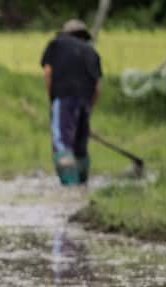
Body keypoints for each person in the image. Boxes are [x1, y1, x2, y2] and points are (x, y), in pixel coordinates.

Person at [40, 19, 103, 185]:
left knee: (62, 145)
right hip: (85, 100)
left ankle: (70, 189)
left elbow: (48, 73)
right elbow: (97, 87)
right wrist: (88, 110)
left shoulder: (56, 45)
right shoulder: (91, 52)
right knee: (80, 147)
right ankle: (82, 185)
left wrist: (53, 100)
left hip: (64, 97)